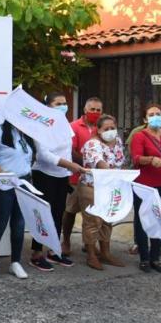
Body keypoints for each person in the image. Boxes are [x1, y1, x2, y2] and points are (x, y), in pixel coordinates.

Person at [29, 92, 87, 271]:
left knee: (57, 214)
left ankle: (54, 251)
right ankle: (36, 253)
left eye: (64, 103)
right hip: (44, 174)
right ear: (48, 106)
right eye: (58, 103)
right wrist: (69, 165)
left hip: (62, 176)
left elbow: (68, 151)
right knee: (42, 214)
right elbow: (43, 154)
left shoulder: (64, 124)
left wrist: (71, 167)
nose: (63, 106)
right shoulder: (40, 126)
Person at [125, 104, 161, 256]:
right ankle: (143, 255)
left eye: (158, 114)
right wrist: (150, 159)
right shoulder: (139, 135)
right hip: (144, 185)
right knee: (142, 218)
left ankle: (155, 256)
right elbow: (136, 159)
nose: (155, 117)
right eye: (151, 114)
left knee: (159, 218)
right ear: (145, 119)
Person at [0, 119, 34, 280]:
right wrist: (1, 172)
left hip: (23, 184)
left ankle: (15, 262)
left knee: (19, 225)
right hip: (4, 184)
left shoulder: (27, 134)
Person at [79, 114, 127, 270]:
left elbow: (121, 162)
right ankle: (91, 255)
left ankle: (105, 253)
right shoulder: (92, 144)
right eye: (106, 129)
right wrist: (113, 172)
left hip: (111, 187)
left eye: (113, 128)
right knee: (93, 222)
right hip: (92, 187)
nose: (111, 131)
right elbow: (100, 163)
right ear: (98, 130)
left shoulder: (118, 141)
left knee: (107, 220)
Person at [62, 97, 103, 256]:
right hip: (76, 177)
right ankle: (65, 240)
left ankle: (89, 243)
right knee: (70, 211)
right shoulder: (73, 126)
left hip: (97, 179)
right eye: (92, 109)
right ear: (85, 110)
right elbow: (69, 151)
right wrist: (87, 163)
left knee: (94, 213)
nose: (95, 113)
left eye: (98, 110)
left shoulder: (102, 129)